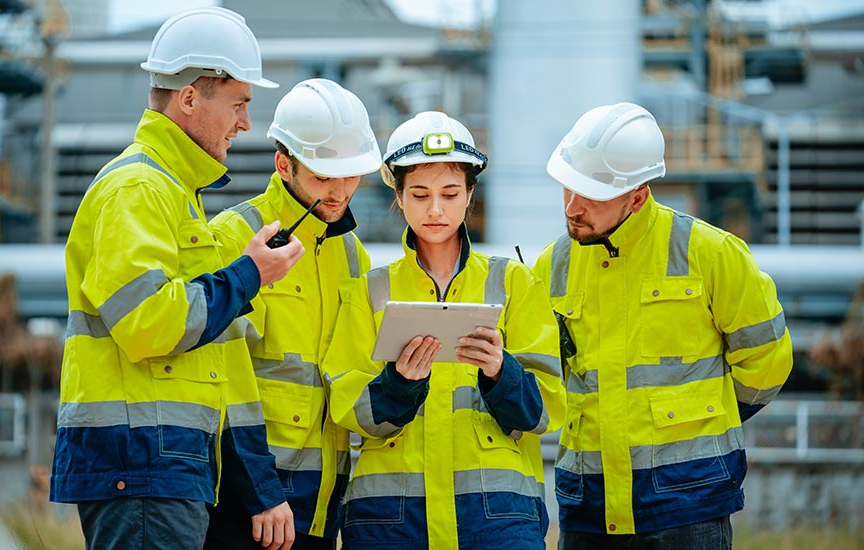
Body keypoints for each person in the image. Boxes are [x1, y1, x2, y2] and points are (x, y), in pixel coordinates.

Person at [49, 8, 301, 549]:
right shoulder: (137, 189)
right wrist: (249, 275)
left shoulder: (174, 194)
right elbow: (148, 323)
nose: (245, 123)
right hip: (140, 463)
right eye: (238, 104)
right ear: (189, 98)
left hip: (162, 464)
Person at [531, 102, 793, 549]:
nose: (572, 207)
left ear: (638, 195)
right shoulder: (552, 265)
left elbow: (766, 363)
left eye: (591, 194)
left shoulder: (710, 254)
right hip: (587, 504)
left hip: (689, 502)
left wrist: (701, 418)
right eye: (567, 189)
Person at [321, 111, 567, 549]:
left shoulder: (513, 284)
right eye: (419, 194)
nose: (435, 209)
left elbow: (545, 413)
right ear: (398, 196)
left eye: (450, 193)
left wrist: (500, 372)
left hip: (495, 517)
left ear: (470, 195)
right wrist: (398, 383)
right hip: (392, 520)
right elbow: (347, 408)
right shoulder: (369, 291)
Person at [205, 78, 382, 550]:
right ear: (283, 165)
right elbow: (223, 380)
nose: (341, 190)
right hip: (249, 503)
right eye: (325, 176)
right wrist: (260, 494)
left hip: (323, 500)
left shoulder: (352, 254)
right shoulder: (234, 237)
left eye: (350, 174)